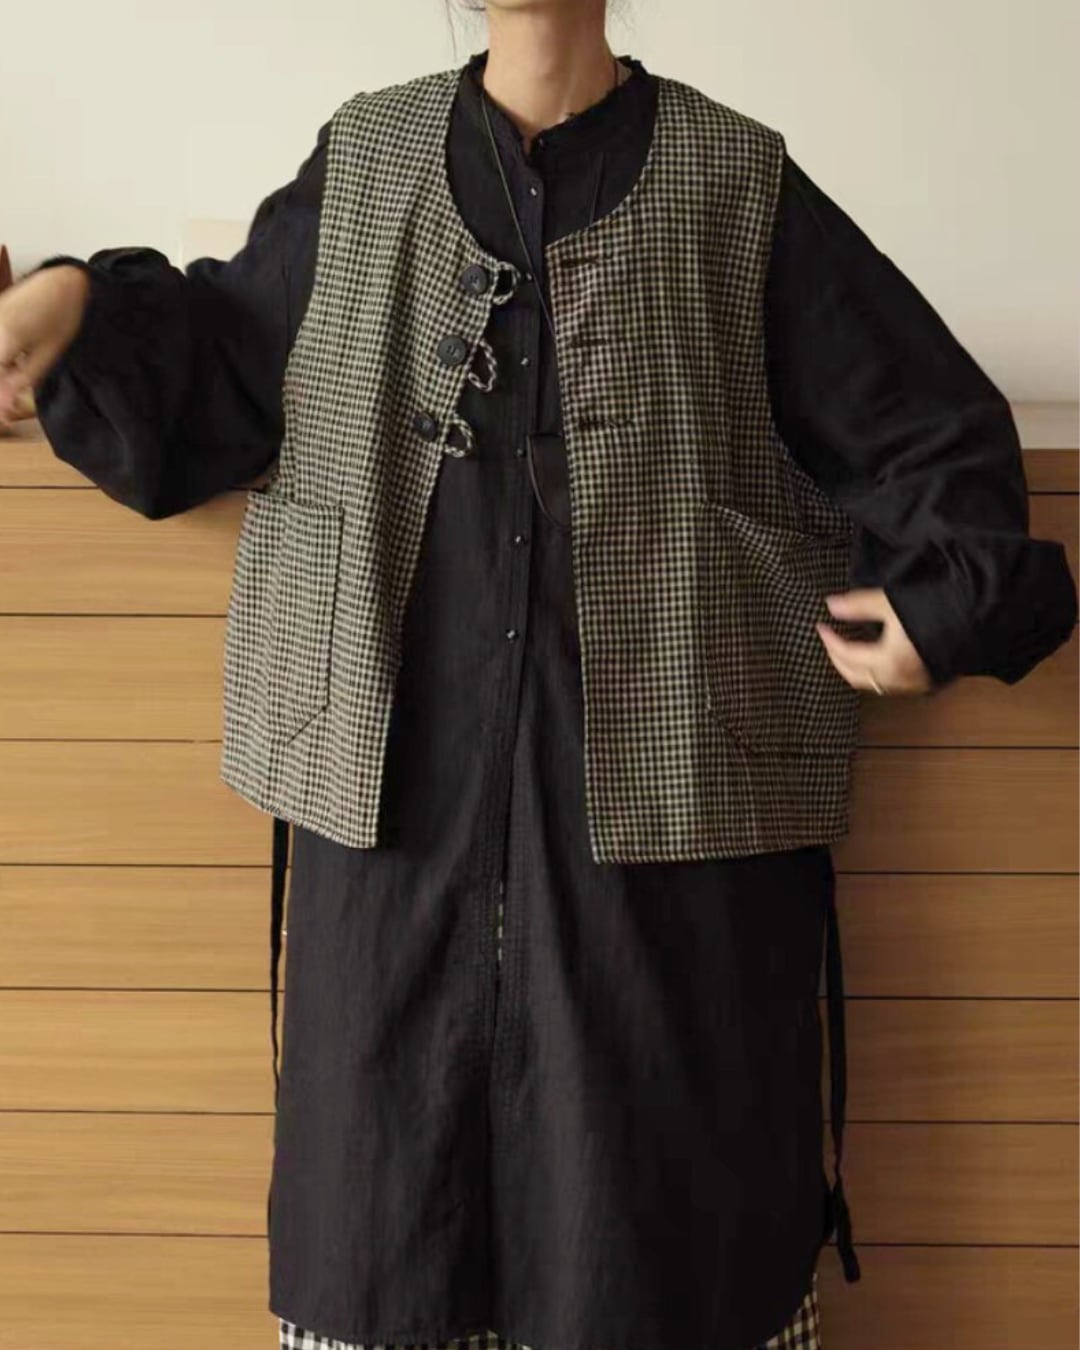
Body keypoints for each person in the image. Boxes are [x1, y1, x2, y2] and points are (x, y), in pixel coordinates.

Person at [1, 5, 1076, 1350]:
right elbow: (212, 378)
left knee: (661, 1266)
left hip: (669, 906)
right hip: (391, 885)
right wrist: (76, 305)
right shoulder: (366, 162)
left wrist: (942, 607)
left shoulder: (738, 183)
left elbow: (935, 439)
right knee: (384, 1247)